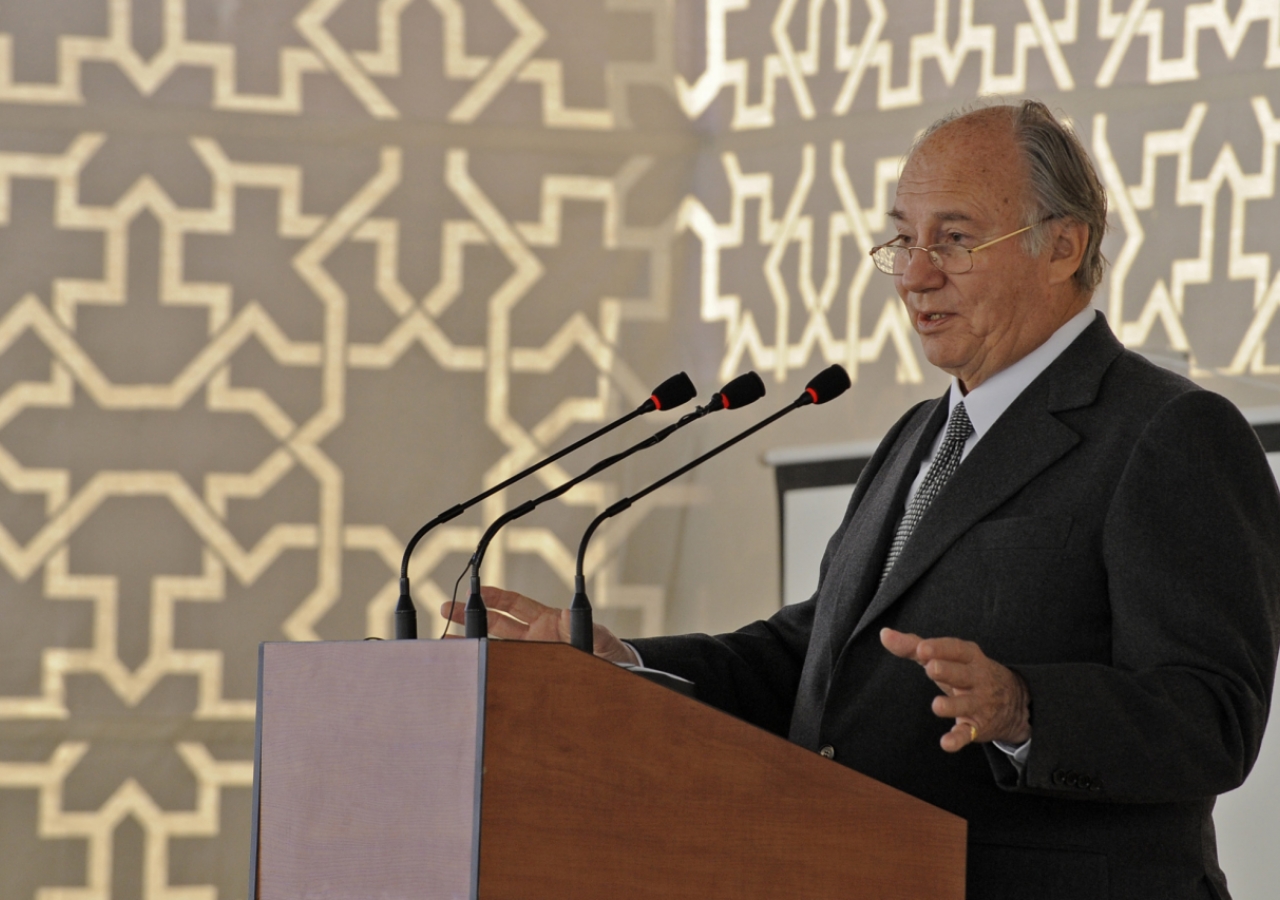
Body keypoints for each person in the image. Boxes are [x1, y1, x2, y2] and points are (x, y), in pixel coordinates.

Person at [444, 101, 1280, 900]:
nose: (915, 276)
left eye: (954, 239)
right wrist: (619, 668)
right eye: (902, 239)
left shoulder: (1169, 433)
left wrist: (1025, 706)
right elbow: (812, 662)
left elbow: (1213, 717)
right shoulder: (917, 434)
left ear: (1063, 245)